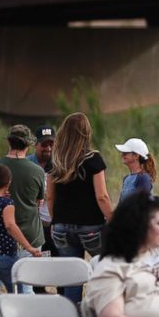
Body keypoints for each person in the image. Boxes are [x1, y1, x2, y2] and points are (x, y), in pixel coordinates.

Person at [48, 113, 113, 305]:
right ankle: (107, 311)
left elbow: (50, 196)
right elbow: (101, 196)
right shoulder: (93, 159)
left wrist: (55, 221)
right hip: (91, 226)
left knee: (73, 277)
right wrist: (113, 218)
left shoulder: (56, 160)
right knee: (109, 269)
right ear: (86, 132)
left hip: (61, 227)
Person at [0, 125, 46, 291]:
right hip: (29, 236)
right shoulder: (37, 171)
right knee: (26, 288)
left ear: (8, 142)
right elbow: (39, 202)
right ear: (29, 145)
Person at [0, 164, 42, 292]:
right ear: (8, 183)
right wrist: (29, 247)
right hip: (5, 256)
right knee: (18, 294)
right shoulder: (7, 203)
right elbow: (10, 225)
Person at [27, 125, 56, 256]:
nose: (48, 148)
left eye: (51, 144)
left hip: (55, 224)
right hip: (34, 225)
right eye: (44, 144)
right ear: (36, 144)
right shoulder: (27, 164)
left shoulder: (59, 164)